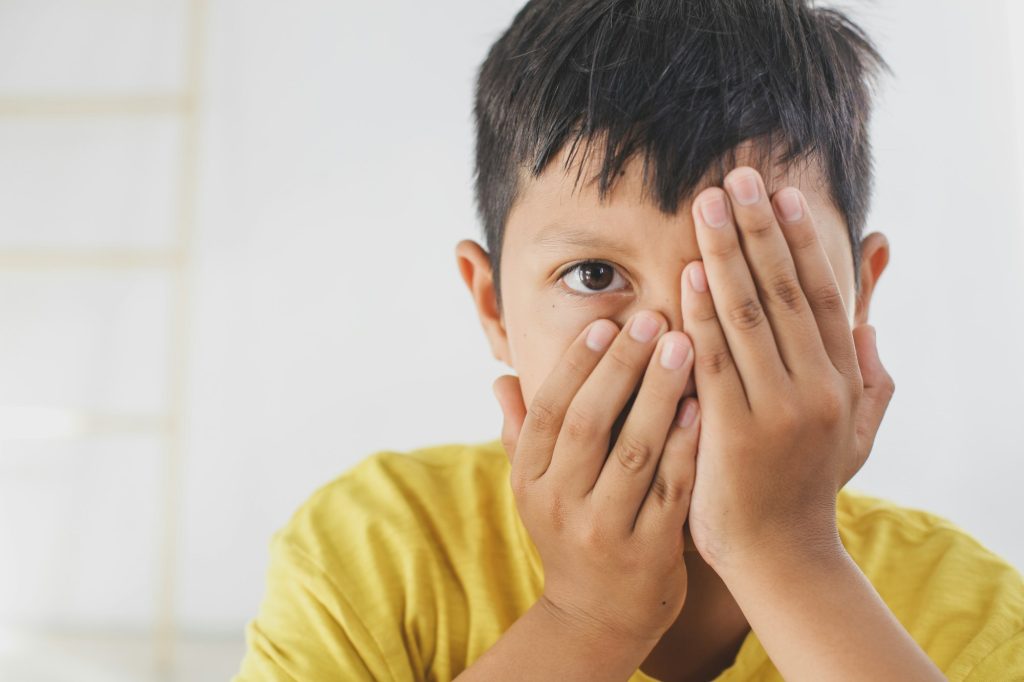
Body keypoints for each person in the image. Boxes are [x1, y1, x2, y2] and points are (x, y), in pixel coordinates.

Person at [233, 1, 1024, 679]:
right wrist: (587, 616)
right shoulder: (372, 554)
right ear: (494, 308)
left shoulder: (970, 610)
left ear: (857, 297)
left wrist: (785, 554)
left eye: (749, 269)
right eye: (591, 275)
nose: (685, 341)